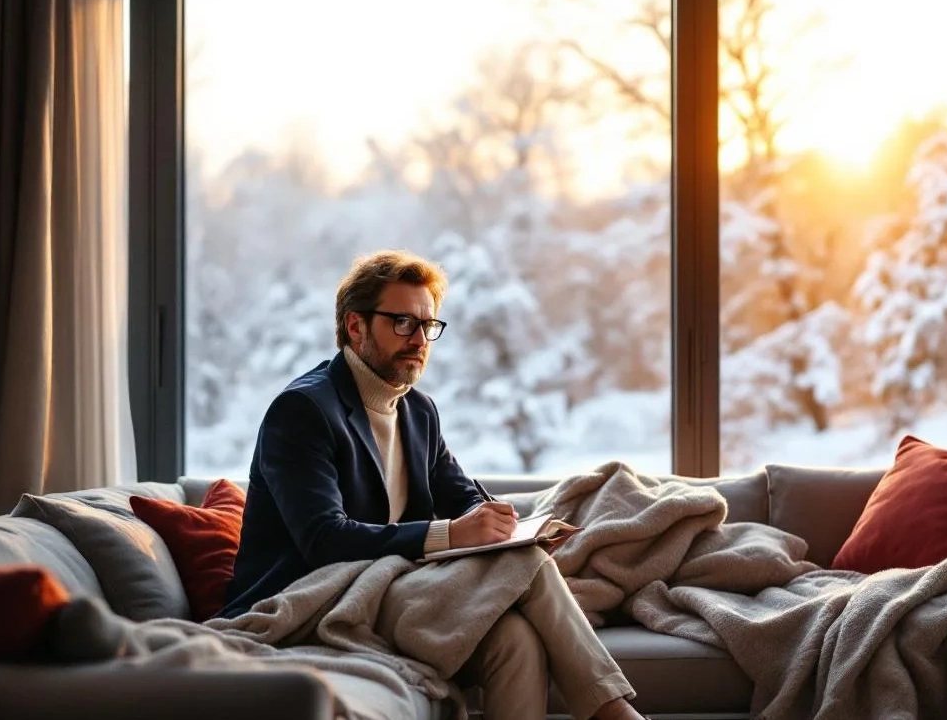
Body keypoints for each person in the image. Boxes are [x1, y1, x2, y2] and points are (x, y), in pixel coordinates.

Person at [222, 249, 645, 720]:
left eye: (428, 325)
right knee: (525, 567)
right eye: (402, 323)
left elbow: (459, 492)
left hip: (392, 586)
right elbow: (323, 539)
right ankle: (615, 712)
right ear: (355, 326)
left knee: (515, 640)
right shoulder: (303, 411)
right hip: (314, 596)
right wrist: (452, 534)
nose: (420, 338)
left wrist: (506, 524)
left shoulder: (418, 410)